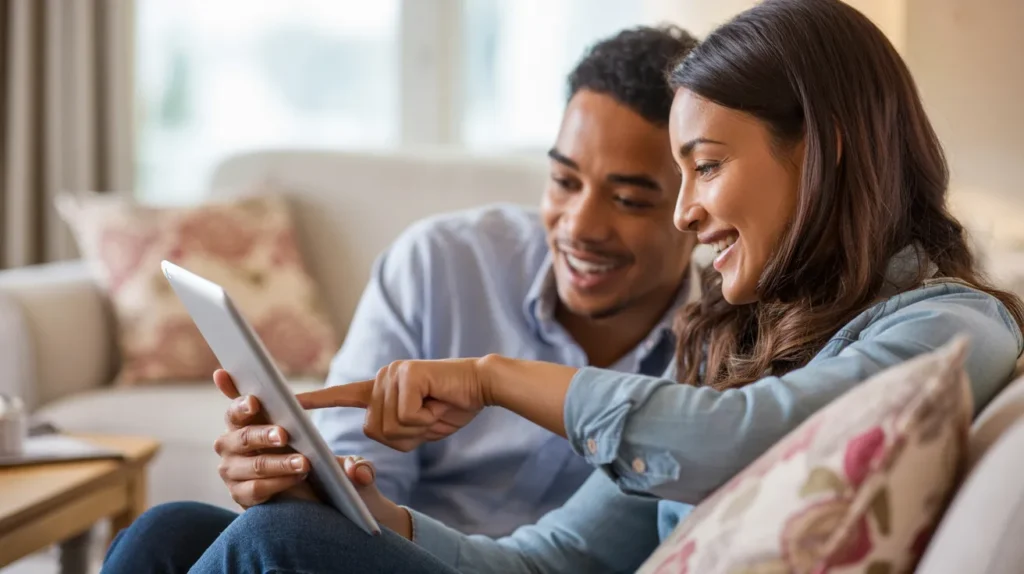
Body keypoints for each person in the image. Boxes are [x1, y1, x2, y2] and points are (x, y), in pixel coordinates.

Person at [103, 1, 1024, 573]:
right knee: (173, 531)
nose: (685, 216)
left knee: (277, 550)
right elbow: (553, 560)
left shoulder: (952, 326)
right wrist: (365, 512)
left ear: (825, 156)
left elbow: (756, 438)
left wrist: (495, 377)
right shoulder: (738, 340)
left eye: (702, 169)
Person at [309, 25, 701, 537]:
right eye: (564, 182)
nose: (579, 227)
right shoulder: (439, 263)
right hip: (390, 555)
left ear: (697, 210)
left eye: (628, 200)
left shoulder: (726, 359)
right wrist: (298, 484)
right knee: (178, 526)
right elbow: (352, 482)